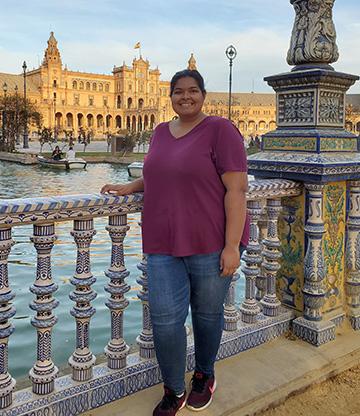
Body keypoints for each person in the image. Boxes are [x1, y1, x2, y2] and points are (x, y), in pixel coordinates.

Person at [101, 69, 249, 416]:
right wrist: (129, 188)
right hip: (164, 242)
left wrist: (231, 246)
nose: (186, 97)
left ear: (203, 94)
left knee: (206, 315)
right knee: (165, 320)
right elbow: (159, 172)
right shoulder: (159, 132)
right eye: (179, 91)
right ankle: (174, 388)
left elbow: (237, 190)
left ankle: (204, 374)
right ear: (169, 96)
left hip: (212, 241)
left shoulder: (220, 130)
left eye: (193, 91)